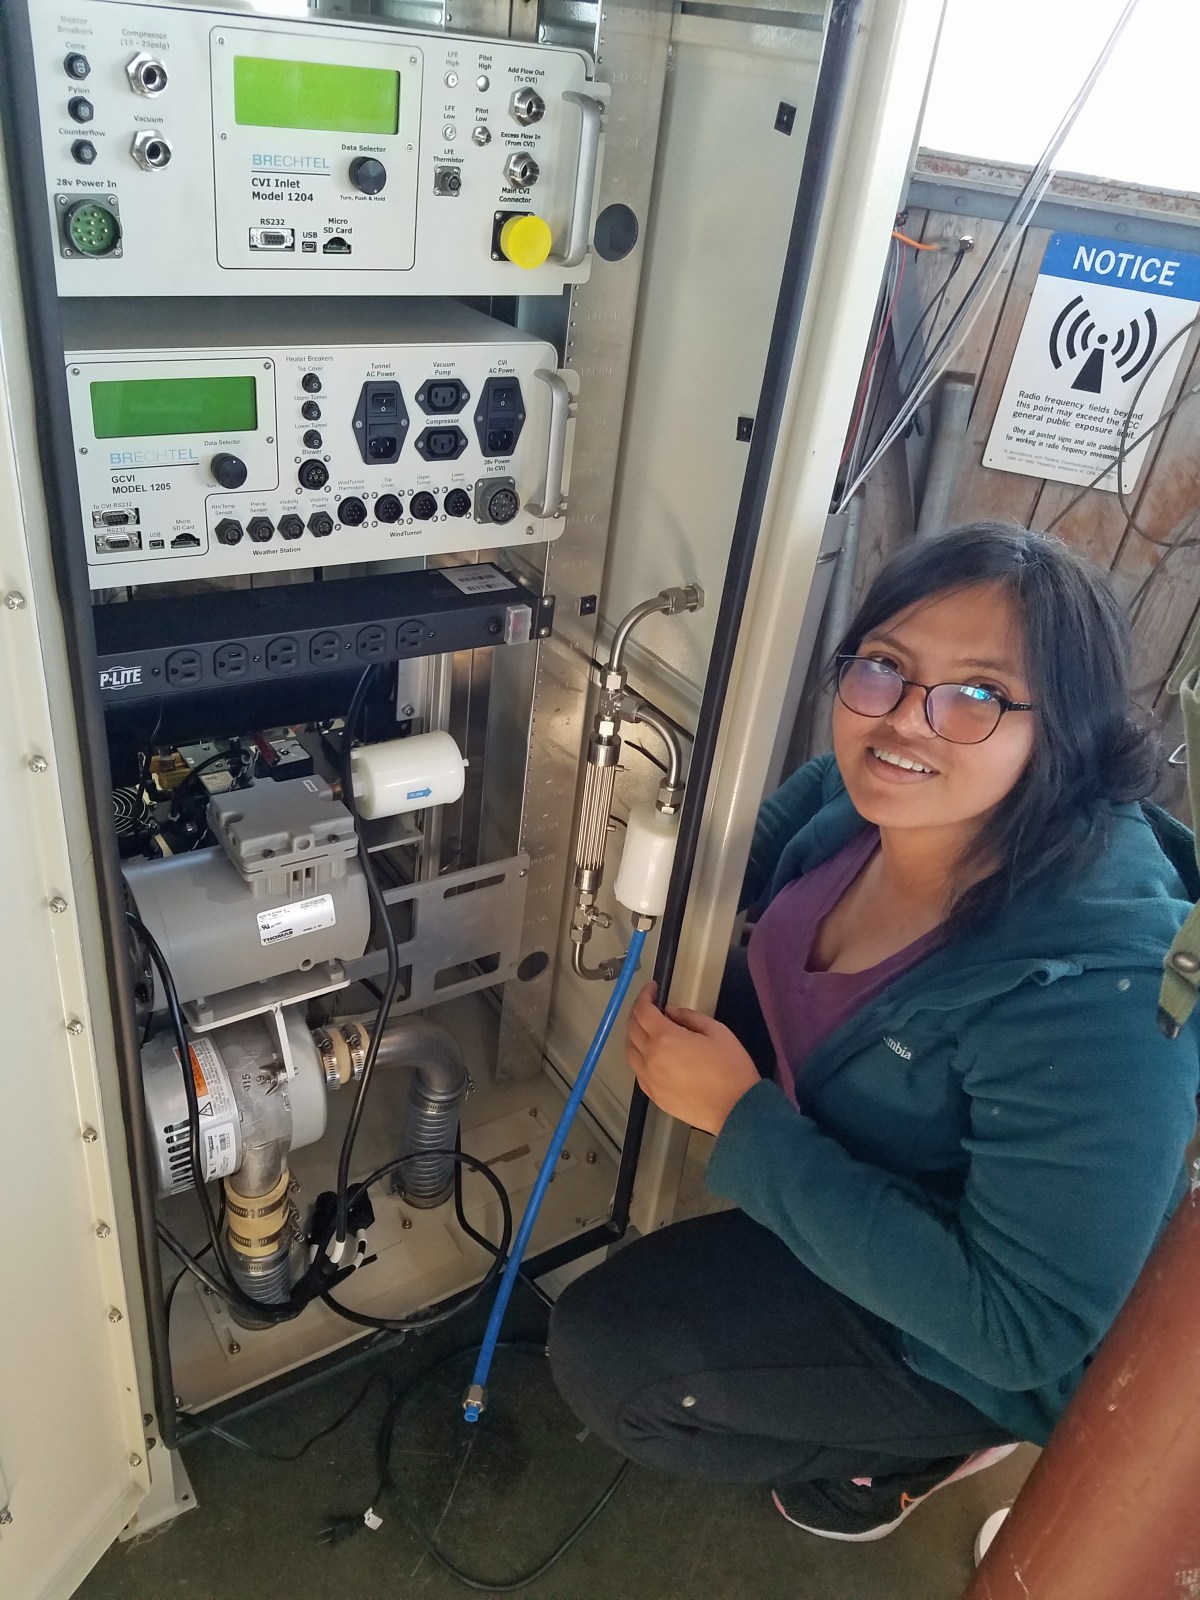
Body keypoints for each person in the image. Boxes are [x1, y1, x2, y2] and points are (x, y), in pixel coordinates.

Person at [548, 522, 1200, 1542]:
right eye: (884, 667)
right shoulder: (868, 806)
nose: (905, 720)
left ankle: (909, 1453)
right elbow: (785, 821)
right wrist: (678, 900)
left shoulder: (1098, 997)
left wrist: (742, 1120)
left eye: (977, 693)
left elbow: (1022, 1322)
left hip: (974, 1327)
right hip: (853, 1140)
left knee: (612, 1358)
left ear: (1062, 730)